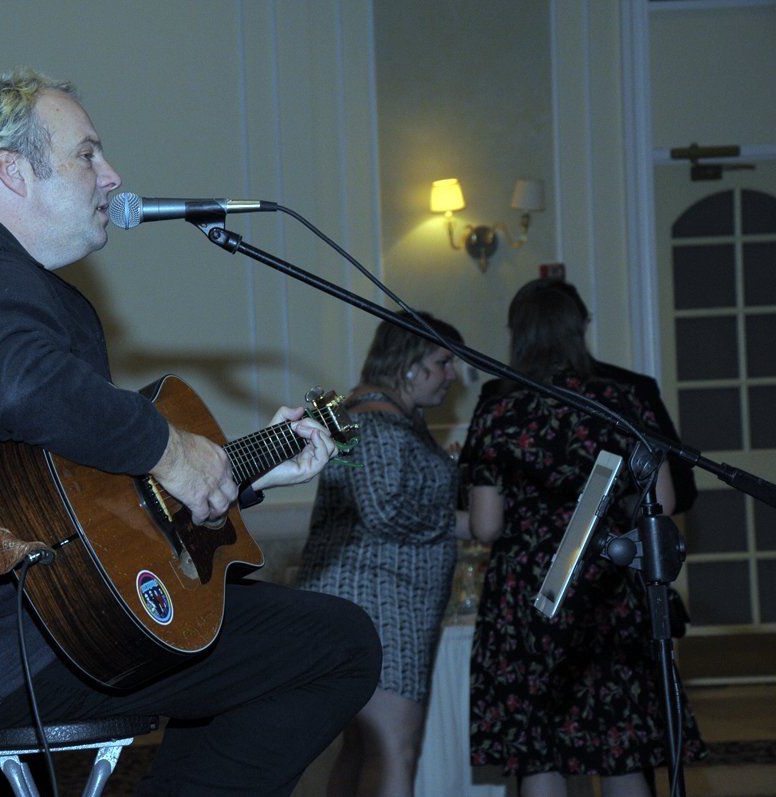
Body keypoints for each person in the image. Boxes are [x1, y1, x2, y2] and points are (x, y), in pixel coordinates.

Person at [0, 68, 382, 796]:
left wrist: (241, 470)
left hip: (23, 633)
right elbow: (21, 386)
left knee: (223, 637)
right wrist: (168, 446)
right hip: (14, 647)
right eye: (86, 154)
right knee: (341, 644)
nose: (113, 174)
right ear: (12, 172)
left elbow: (86, 494)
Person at [459, 280, 706, 797]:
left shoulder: (497, 408)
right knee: (617, 746)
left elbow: (485, 526)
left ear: (516, 335)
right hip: (605, 584)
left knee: (539, 753)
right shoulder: (619, 400)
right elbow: (662, 500)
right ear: (580, 328)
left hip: (529, 596)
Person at [297, 311, 471, 796]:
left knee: (363, 750)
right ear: (409, 363)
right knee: (396, 749)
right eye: (442, 362)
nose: (451, 375)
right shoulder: (376, 425)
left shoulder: (376, 418)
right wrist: (466, 523)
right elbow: (386, 510)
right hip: (380, 604)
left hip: (377, 601)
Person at [475, 277, 697, 514]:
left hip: (524, 546)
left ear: (516, 334)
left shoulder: (498, 402)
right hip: (610, 546)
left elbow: (681, 487)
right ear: (581, 326)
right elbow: (672, 495)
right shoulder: (627, 391)